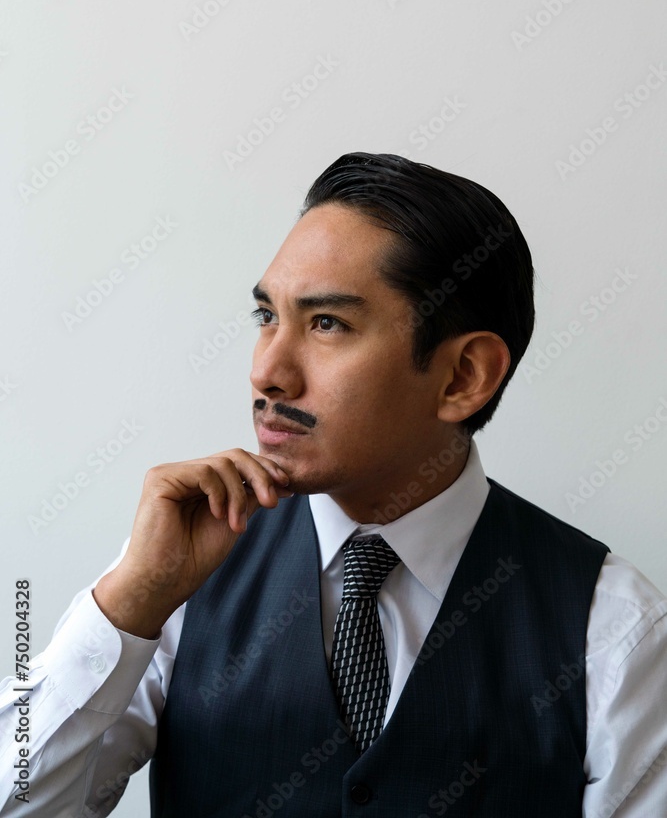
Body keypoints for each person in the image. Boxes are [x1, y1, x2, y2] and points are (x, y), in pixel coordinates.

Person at [1, 153, 665, 817]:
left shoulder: (614, 628)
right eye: (266, 316)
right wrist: (129, 604)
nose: (267, 372)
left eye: (327, 324)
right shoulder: (174, 572)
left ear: (464, 376)